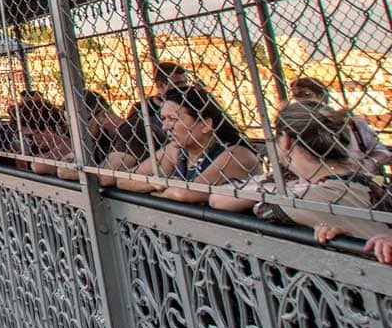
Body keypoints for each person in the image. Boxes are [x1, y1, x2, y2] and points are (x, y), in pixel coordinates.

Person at [210, 103, 381, 230]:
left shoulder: (311, 196)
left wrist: (275, 189)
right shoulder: (364, 181)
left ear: (285, 141)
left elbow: (264, 210)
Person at [101, 85, 260, 204]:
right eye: (163, 119)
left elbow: (185, 194)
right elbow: (123, 180)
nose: (165, 127)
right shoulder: (177, 150)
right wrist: (156, 183)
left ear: (206, 124)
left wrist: (160, 185)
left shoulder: (235, 154)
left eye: (173, 119)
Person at [100, 60, 188, 171]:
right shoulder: (141, 108)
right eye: (178, 84)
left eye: (185, 83)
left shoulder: (188, 102)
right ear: (160, 85)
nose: (184, 88)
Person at [291, 74, 392, 169]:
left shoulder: (353, 124)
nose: (300, 100)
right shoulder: (293, 128)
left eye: (306, 94)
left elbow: (382, 152)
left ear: (322, 96)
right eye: (295, 96)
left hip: (356, 177)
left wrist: (369, 163)